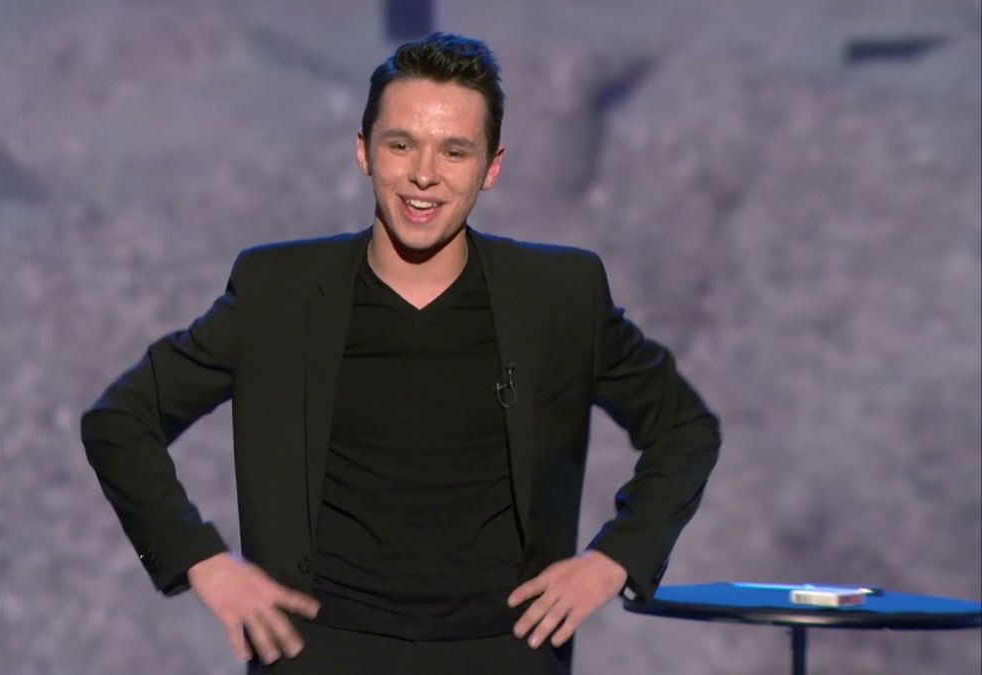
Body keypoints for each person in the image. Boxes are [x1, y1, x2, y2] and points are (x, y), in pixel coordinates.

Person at [80, 32, 720, 675]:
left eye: (454, 151)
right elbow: (121, 421)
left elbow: (684, 429)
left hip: (501, 654)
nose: (424, 174)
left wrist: (614, 559)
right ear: (364, 150)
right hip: (321, 654)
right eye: (401, 144)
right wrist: (203, 562)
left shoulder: (561, 295)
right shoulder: (279, 292)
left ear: (491, 167)